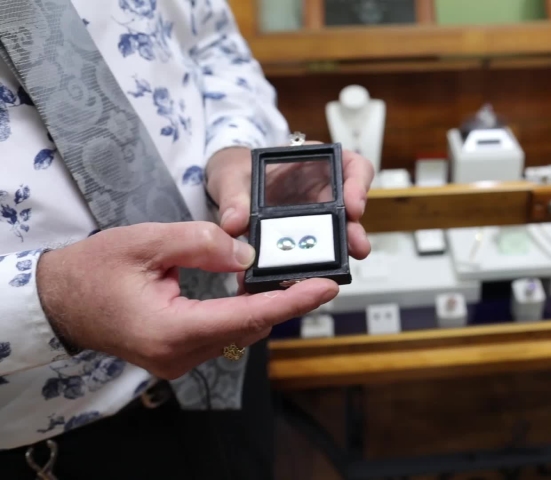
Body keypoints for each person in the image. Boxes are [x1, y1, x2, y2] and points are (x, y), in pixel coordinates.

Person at [0, 0, 373, 478]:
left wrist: (234, 147)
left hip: (231, 359)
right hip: (52, 440)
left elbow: (215, 44)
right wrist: (50, 300)